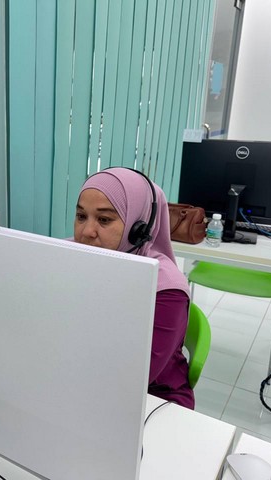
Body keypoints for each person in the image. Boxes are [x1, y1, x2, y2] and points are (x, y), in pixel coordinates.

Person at [74, 167, 194, 409]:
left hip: (154, 398)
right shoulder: (67, 255)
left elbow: (132, 380)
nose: (86, 232)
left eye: (104, 220)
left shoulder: (167, 291)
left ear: (139, 228)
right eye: (81, 216)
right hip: (80, 381)